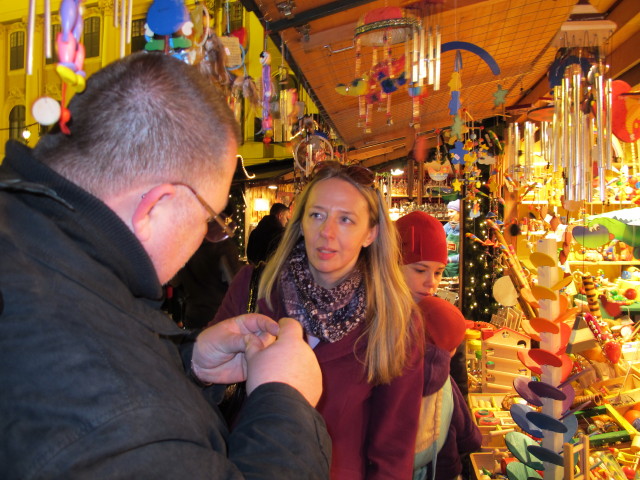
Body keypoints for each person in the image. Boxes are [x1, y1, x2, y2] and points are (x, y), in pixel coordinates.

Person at [0, 52, 331, 479]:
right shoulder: (120, 416)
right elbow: (110, 403)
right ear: (156, 206)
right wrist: (286, 400)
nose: (204, 237)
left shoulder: (31, 238)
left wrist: (187, 361)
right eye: (209, 218)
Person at [213, 161, 424, 480]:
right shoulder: (253, 288)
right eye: (317, 215)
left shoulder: (395, 319)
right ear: (300, 223)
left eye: (346, 220)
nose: (327, 232)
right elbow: (205, 387)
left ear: (370, 233)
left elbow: (392, 451)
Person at [396, 211, 480, 480]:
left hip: (435, 457)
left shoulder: (440, 317)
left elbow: (459, 389)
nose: (432, 282)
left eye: (439, 271)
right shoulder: (379, 317)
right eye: (420, 270)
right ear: (392, 266)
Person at [169, 207, 244, 330]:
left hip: (193, 312)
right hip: (218, 314)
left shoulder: (186, 246)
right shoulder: (223, 247)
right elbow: (234, 282)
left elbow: (175, 281)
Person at [443, 199, 461, 278]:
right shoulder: (448, 226)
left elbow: (465, 255)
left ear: (459, 212)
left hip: (458, 270)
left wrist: (450, 259)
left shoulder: (465, 229)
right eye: (448, 212)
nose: (448, 215)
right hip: (445, 269)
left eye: (451, 211)